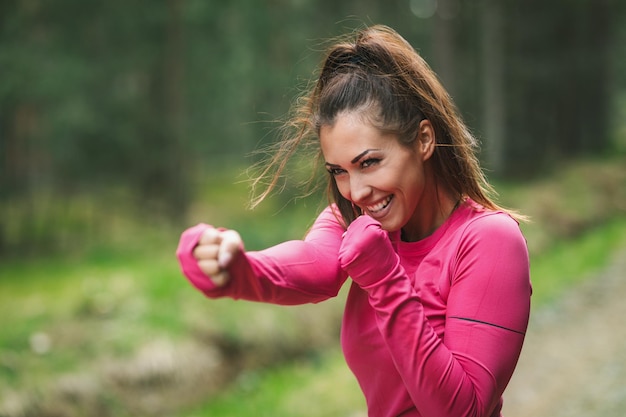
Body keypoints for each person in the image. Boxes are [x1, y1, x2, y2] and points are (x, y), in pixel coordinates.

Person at [176, 25, 531, 417]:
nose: (356, 191)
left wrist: (385, 279)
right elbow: (313, 266)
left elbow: (462, 410)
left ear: (424, 140)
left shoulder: (488, 239)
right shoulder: (361, 220)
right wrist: (236, 266)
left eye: (369, 163)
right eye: (339, 171)